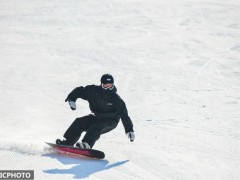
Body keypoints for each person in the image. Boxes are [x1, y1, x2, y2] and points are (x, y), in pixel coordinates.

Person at [56, 74, 135, 149]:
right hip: (97, 117)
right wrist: (72, 98)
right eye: (105, 86)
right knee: (79, 122)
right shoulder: (93, 91)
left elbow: (124, 115)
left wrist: (129, 130)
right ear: (101, 84)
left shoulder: (116, 99)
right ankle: (68, 142)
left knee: (97, 126)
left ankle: (86, 144)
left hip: (111, 120)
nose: (108, 88)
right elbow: (80, 90)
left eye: (110, 86)